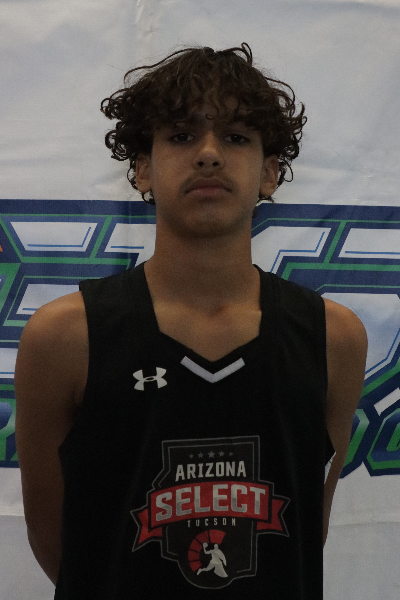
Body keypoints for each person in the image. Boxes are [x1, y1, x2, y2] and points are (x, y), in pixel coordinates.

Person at [15, 44, 367, 599]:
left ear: (270, 173)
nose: (208, 154)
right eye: (181, 136)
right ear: (143, 170)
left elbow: (305, 526)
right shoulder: (64, 336)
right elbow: (58, 542)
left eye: (236, 137)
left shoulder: (334, 337)